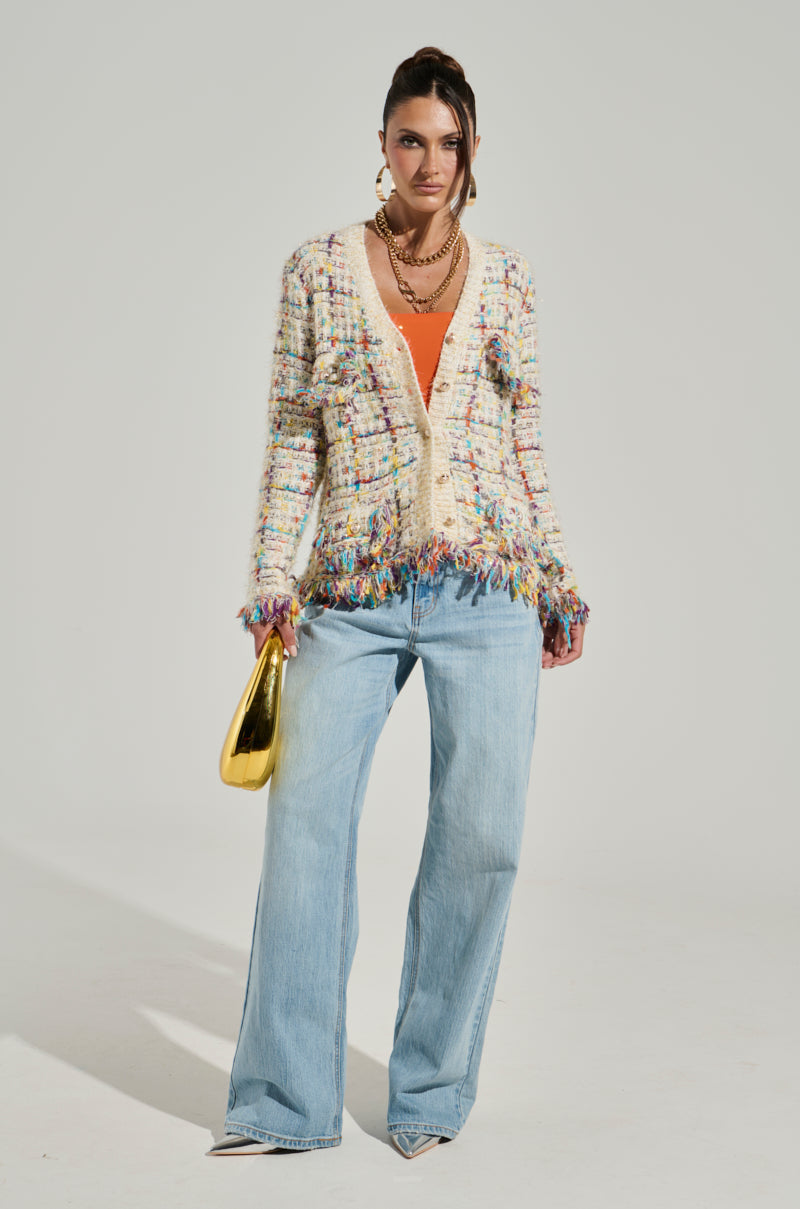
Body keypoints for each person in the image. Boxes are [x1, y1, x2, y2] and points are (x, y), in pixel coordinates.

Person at [207, 46, 590, 1161]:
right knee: (305, 830)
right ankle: (284, 1103)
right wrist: (271, 579)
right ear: (382, 145)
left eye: (449, 143)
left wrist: (556, 576)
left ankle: (429, 1092)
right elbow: (294, 435)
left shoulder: (507, 279)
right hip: (353, 589)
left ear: (471, 154)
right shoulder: (319, 270)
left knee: (481, 839)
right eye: (411, 139)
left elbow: (522, 442)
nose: (430, 162)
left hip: (487, 587)